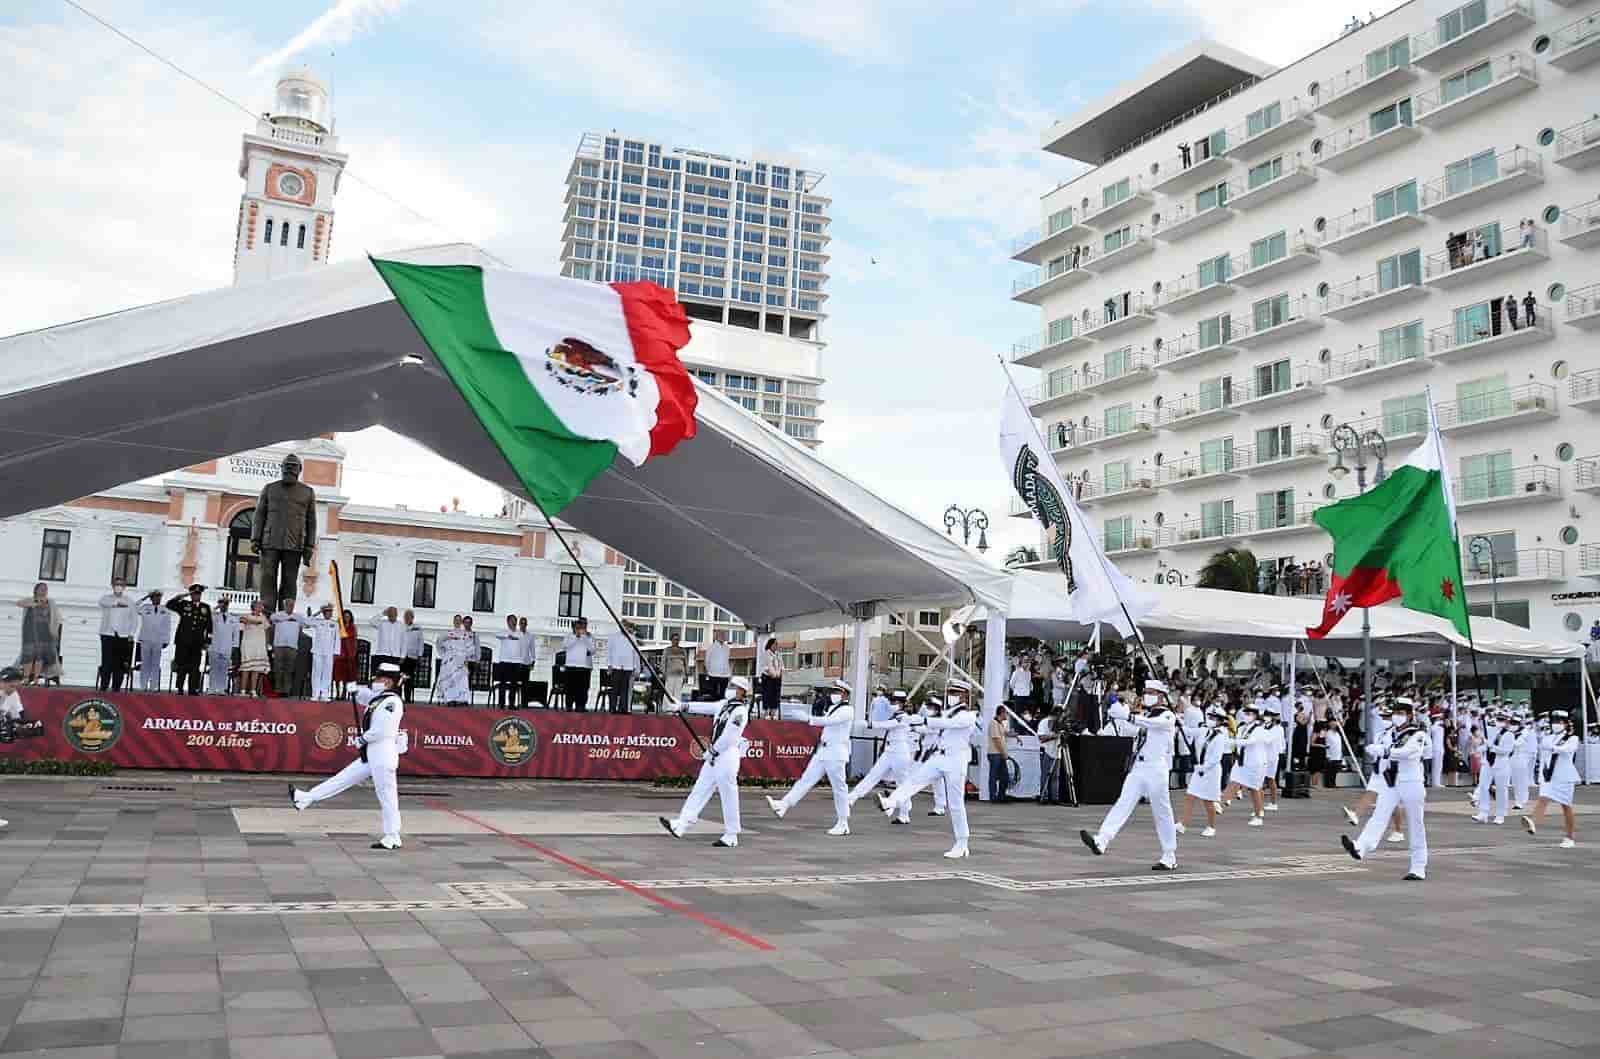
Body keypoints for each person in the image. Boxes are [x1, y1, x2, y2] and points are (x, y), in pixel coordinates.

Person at [291, 662, 409, 850]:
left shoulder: (392, 702)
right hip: (373, 754)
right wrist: (354, 689)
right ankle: (305, 798)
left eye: (378, 679)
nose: (375, 682)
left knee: (387, 796)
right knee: (343, 778)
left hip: (383, 753)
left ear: (387, 681)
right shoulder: (380, 698)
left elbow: (382, 729)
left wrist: (362, 739)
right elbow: (366, 698)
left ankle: (393, 836)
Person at [1080, 680, 1180, 871]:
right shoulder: (1145, 715)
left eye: (1151, 692)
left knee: (1162, 813)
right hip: (1139, 768)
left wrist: (1129, 716)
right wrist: (1116, 709)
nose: (1147, 695)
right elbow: (1132, 729)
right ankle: (1102, 840)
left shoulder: (1167, 716)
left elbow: (1151, 724)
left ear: (1160, 696)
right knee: (1123, 802)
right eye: (1146, 692)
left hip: (1157, 768)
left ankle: (1169, 854)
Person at [878, 680, 979, 859]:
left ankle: (962, 843)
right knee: (914, 780)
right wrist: (911, 721)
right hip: (939, 757)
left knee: (956, 804)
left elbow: (945, 724)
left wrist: (922, 719)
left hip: (956, 760)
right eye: (950, 692)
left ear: (964, 696)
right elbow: (930, 726)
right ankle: (890, 802)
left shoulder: (968, 716)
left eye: (956, 693)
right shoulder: (947, 713)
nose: (952, 696)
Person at [1340, 697, 1429, 881]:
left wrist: (1385, 751)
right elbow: (1380, 753)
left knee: (1416, 824)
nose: (1396, 716)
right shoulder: (1387, 733)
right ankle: (1360, 847)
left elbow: (1408, 752)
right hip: (1390, 781)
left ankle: (1418, 866)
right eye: (1394, 713)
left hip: (1411, 782)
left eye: (1401, 713)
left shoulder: (1417, 734)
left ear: (1410, 715)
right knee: (1379, 815)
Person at [660, 675, 753, 847]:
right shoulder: (725, 705)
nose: (730, 688)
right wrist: (682, 705)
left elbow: (730, 736)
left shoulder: (740, 711)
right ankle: (681, 824)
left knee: (728, 795)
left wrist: (713, 751)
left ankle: (732, 834)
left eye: (734, 686)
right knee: (700, 789)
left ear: (741, 691)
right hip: (715, 755)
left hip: (726, 756)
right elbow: (706, 707)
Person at [767, 678, 854, 835]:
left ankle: (843, 822)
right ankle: (783, 805)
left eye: (837, 692)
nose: (833, 694)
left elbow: (829, 721)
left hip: (835, 753)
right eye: (833, 691)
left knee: (839, 788)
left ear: (845, 695)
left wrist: (808, 719)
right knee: (806, 780)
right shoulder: (833, 707)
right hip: (823, 751)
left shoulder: (847, 710)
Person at [252, 453, 317, 613]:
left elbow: (311, 521)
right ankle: (267, 613)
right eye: (286, 465)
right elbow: (259, 514)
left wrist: (309, 547)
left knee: (289, 581)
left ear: (300, 469)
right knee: (268, 578)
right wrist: (255, 539)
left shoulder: (307, 492)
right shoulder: (270, 488)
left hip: (294, 544)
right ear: (281, 468)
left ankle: (285, 614)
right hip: (270, 542)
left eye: (293, 465)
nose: (289, 468)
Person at [850, 690, 916, 823]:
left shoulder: (903, 716)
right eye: (892, 701)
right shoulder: (893, 714)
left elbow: (888, 725)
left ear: (902, 704)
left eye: (896, 702)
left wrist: (870, 724)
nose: (893, 704)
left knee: (902, 783)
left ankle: (904, 814)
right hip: (889, 750)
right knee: (873, 775)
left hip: (900, 752)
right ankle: (852, 797)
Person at [1522, 710, 1580, 848]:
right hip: (1549, 775)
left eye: (1559, 722)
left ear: (1566, 724)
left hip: (1564, 776)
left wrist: (1554, 748)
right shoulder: (1548, 737)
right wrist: (1542, 776)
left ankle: (1570, 837)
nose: (1556, 725)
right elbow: (1544, 757)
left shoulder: (1572, 738)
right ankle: (1533, 821)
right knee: (1543, 798)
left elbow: (1567, 750)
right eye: (1554, 722)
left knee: (1566, 807)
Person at [1177, 706, 1231, 838]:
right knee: (1190, 796)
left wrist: (1204, 768)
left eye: (1213, 718)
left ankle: (1211, 826)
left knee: (1208, 800)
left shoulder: (1220, 736)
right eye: (1210, 717)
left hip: (1211, 771)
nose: (1210, 720)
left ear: (1219, 721)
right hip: (1199, 769)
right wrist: (1178, 722)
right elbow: (1188, 731)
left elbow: (1216, 758)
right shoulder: (1204, 730)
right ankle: (1183, 824)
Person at [1220, 703, 1272, 827]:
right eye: (1246, 713)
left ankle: (1259, 815)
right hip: (1242, 761)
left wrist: (1232, 742)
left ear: (1255, 716)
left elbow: (1250, 742)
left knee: (1254, 789)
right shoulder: (1243, 727)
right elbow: (1239, 740)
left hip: (1255, 763)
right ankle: (1220, 803)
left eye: (1250, 714)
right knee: (1233, 781)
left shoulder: (1259, 729)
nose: (1247, 716)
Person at [164, 584, 213, 695]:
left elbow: (209, 627)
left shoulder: (205, 608)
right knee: (182, 665)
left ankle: (192, 689)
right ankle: (180, 688)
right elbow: (169, 605)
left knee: (195, 667)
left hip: (197, 642)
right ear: (191, 595)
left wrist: (207, 642)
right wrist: (179, 597)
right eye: (194, 594)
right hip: (183, 641)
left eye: (198, 594)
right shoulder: (184, 605)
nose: (196, 596)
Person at [1472, 710, 1515, 825]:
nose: (1499, 722)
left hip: (1501, 765)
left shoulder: (1509, 735)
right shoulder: (1490, 731)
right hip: (1488, 763)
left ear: (1506, 722)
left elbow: (1507, 751)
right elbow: (1485, 745)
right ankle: (1483, 813)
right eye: (1498, 719)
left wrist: (1493, 747)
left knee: (1501, 789)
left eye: (1501, 720)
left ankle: (1500, 815)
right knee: (1483, 787)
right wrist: (1479, 749)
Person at [14, 583, 62, 686]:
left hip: (45, 633)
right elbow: (18, 603)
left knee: (40, 656)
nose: (44, 591)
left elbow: (56, 617)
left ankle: (36, 679)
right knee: (28, 655)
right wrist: (35, 602)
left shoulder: (51, 602)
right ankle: (26, 678)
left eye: (45, 589)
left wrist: (54, 631)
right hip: (30, 632)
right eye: (41, 589)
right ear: (36, 590)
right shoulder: (31, 600)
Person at [97, 579, 138, 691]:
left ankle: (116, 688)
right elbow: (102, 603)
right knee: (106, 662)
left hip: (123, 636)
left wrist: (131, 633)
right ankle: (104, 686)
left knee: (119, 664)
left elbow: (134, 619)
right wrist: (116, 603)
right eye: (116, 585)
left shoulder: (129, 601)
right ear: (112, 586)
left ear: (124, 587)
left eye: (121, 585)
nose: (118, 587)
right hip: (107, 634)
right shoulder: (106, 598)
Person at [134, 590, 171, 691]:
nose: (157, 599)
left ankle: (153, 686)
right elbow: (134, 607)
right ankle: (143, 685)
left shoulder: (165, 610)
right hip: (145, 639)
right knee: (145, 663)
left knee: (155, 664)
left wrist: (166, 640)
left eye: (159, 597)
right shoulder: (145, 608)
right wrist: (145, 597)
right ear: (151, 598)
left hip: (158, 640)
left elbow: (167, 626)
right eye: (154, 597)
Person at [268, 599, 305, 696]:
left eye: (292, 605)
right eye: (288, 605)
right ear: (284, 606)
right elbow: (271, 620)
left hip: (292, 646)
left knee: (289, 669)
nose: (290, 607)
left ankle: (286, 690)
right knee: (278, 668)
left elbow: (303, 626)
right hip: (279, 645)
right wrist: (286, 619)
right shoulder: (277, 615)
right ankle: (278, 689)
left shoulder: (298, 617)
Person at [436, 617, 473, 706]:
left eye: (459, 620)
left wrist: (467, 660)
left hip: (461, 660)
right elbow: (439, 644)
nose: (457, 622)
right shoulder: (447, 634)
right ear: (453, 621)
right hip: (449, 661)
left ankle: (462, 699)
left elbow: (470, 648)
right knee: (449, 679)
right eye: (456, 620)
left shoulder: (466, 635)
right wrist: (444, 655)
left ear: (461, 622)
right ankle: (450, 699)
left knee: (462, 680)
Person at [308, 603, 341, 701]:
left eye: (330, 612)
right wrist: (318, 612)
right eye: (326, 612)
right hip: (317, 651)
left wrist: (336, 652)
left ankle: (325, 694)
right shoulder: (318, 622)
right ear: (323, 613)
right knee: (316, 672)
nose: (329, 614)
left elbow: (337, 639)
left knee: (327, 673)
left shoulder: (334, 624)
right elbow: (307, 621)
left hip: (329, 652)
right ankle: (315, 693)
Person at [560, 618, 595, 710]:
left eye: (581, 626)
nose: (579, 628)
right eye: (577, 627)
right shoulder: (568, 636)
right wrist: (576, 637)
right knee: (570, 688)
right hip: (571, 666)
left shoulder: (588, 637)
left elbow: (592, 650)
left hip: (583, 667)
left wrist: (584, 638)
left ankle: (581, 706)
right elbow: (564, 647)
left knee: (583, 689)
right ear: (574, 627)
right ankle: (569, 706)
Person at [237, 601, 270, 696]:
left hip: (259, 646)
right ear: (254, 607)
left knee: (256, 669)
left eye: (261, 606)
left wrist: (267, 644)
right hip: (248, 646)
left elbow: (267, 629)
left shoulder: (263, 617)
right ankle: (243, 691)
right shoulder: (246, 616)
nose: (261, 607)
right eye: (259, 606)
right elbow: (241, 620)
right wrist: (254, 622)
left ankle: (253, 690)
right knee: (246, 669)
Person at [208, 598, 240, 694]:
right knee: (214, 668)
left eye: (225, 604)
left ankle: (221, 689)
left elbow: (236, 633)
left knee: (224, 668)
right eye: (222, 604)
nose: (224, 606)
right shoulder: (214, 617)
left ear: (228, 605)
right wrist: (216, 607)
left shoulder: (233, 618)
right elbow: (208, 614)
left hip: (227, 646)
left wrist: (235, 646)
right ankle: (212, 688)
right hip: (215, 645)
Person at [494, 615, 526, 709]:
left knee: (514, 684)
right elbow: (497, 634)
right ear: (508, 622)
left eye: (515, 621)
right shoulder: (503, 632)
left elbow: (519, 638)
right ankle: (501, 704)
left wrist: (511, 636)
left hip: (516, 662)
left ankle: (511, 704)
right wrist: (508, 636)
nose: (514, 622)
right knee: (502, 683)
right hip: (504, 660)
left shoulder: (520, 633)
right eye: (512, 621)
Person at [607, 625, 639, 714]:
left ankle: (623, 708)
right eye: (623, 626)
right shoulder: (614, 637)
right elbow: (609, 651)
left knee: (625, 689)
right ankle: (612, 708)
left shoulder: (632, 638)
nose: (626, 628)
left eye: (626, 626)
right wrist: (609, 665)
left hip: (628, 666)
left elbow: (635, 653)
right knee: (615, 688)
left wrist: (635, 667)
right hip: (616, 666)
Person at [369, 607, 407, 675]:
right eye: (390, 614)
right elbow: (372, 621)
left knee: (393, 676)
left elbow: (404, 642)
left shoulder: (402, 626)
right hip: (382, 654)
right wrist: (382, 614)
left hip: (395, 656)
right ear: (388, 615)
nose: (392, 616)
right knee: (380, 675)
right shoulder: (382, 624)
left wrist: (403, 656)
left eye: (393, 614)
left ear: (396, 614)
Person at [1037, 706, 1062, 803]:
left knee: (1056, 776)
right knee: (1045, 775)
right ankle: (1044, 796)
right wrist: (1054, 736)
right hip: (1047, 751)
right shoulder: (1044, 722)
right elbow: (1041, 738)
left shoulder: (1059, 723)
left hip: (1057, 752)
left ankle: (1055, 797)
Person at [333, 609, 359, 698]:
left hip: (349, 653)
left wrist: (353, 652)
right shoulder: (339, 626)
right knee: (337, 675)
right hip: (339, 652)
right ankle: (337, 692)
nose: (346, 618)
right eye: (345, 616)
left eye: (348, 616)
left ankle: (344, 692)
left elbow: (354, 640)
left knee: (346, 675)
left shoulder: (353, 627)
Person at [987, 707, 1011, 803]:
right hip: (995, 753)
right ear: (1002, 713)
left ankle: (1001, 795)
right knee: (994, 776)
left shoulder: (1000, 724)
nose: (1007, 715)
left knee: (1004, 776)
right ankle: (993, 797)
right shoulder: (993, 723)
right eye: (1006, 713)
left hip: (999, 754)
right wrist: (1004, 753)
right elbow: (996, 740)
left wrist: (1015, 735)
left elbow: (1005, 733)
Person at [401, 610, 424, 703]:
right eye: (406, 616)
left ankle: (407, 698)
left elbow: (421, 642)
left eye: (409, 616)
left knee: (409, 679)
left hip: (412, 657)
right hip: (401, 656)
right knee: (399, 678)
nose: (407, 618)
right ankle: (397, 697)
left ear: (412, 618)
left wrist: (420, 655)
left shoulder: (417, 628)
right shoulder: (401, 627)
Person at [662, 633, 690, 706]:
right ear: (671, 640)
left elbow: (686, 663)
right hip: (669, 674)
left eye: (677, 639)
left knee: (678, 693)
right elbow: (663, 662)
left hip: (680, 674)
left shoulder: (683, 650)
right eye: (674, 639)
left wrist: (686, 673)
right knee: (668, 692)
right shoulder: (667, 650)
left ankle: (677, 709)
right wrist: (663, 673)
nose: (676, 641)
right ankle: (667, 708)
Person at [759, 637, 783, 718]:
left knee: (776, 695)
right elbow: (766, 667)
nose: (777, 645)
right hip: (768, 677)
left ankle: (773, 712)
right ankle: (766, 712)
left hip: (777, 678)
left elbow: (781, 666)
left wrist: (779, 673)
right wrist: (772, 674)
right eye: (775, 644)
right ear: (771, 644)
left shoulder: (778, 654)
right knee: (768, 694)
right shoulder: (766, 653)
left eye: (777, 644)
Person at [703, 631, 732, 700]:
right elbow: (707, 661)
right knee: (714, 695)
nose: (723, 636)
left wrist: (729, 673)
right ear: (716, 637)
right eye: (721, 635)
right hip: (713, 674)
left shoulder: (727, 648)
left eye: (723, 635)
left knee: (722, 694)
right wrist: (708, 671)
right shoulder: (711, 647)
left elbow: (727, 661)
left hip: (725, 674)